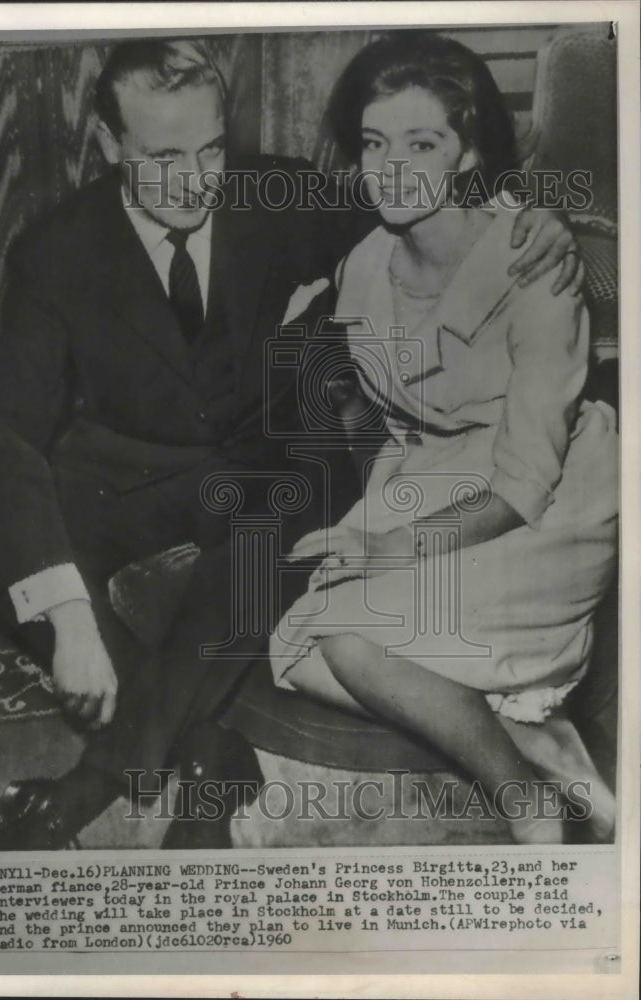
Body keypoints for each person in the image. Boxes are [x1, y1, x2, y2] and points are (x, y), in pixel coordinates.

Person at [0, 36, 582, 850]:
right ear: (109, 144)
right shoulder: (55, 250)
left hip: (279, 468)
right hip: (139, 476)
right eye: (161, 156)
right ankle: (207, 755)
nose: (196, 180)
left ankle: (90, 787)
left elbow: (426, 199)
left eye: (211, 149)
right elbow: (5, 427)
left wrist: (530, 213)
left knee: (258, 539)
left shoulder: (282, 193)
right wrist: (69, 619)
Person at [271, 32, 618, 844]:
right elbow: (399, 422)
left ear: (466, 155)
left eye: (421, 144)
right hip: (438, 478)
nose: (389, 169)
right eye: (373, 143)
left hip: (546, 502)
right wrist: (382, 520)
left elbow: (524, 480)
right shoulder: (364, 263)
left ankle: (522, 801)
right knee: (295, 648)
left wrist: (397, 548)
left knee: (350, 641)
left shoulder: (535, 270)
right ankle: (532, 741)